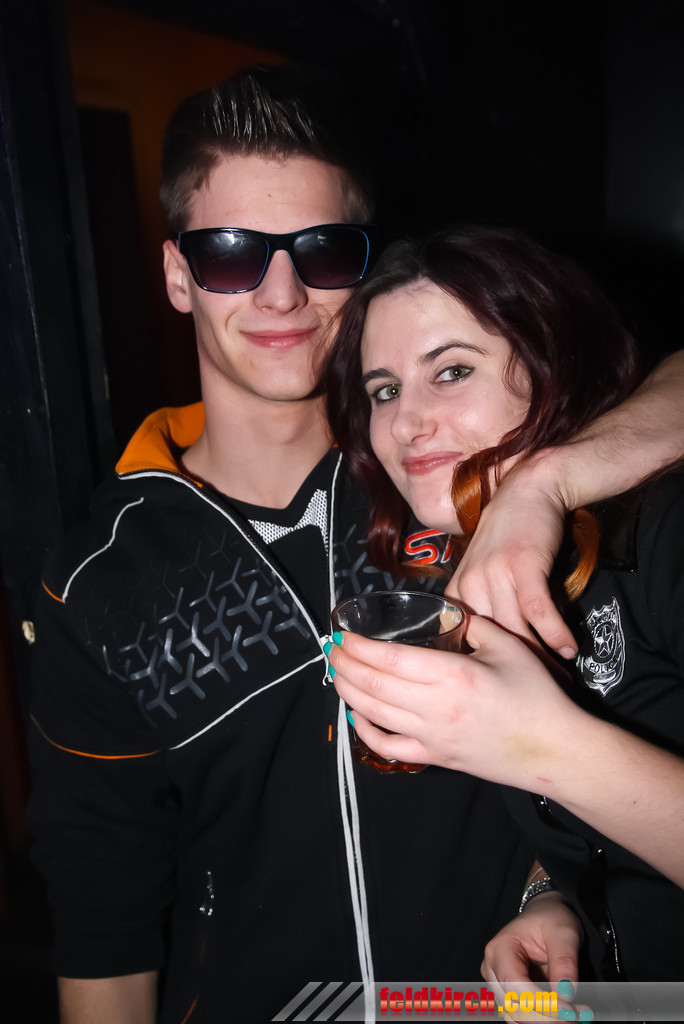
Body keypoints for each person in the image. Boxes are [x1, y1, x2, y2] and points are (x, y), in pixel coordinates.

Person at [26, 67, 684, 1023]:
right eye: (230, 254)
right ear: (177, 274)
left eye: (322, 250)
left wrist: (543, 483)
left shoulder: (448, 475)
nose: (281, 292)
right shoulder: (99, 578)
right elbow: (103, 920)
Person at [322, 224, 684, 986]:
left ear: (556, 365)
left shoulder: (664, 527)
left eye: (451, 372)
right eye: (384, 390)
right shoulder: (471, 570)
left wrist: (538, 744)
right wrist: (554, 896)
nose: (405, 423)